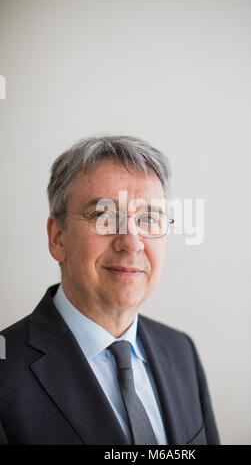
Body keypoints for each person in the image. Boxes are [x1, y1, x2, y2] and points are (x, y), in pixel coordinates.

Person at [0, 136, 220, 445]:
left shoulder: (182, 351)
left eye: (148, 219)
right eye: (104, 216)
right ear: (58, 238)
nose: (131, 242)